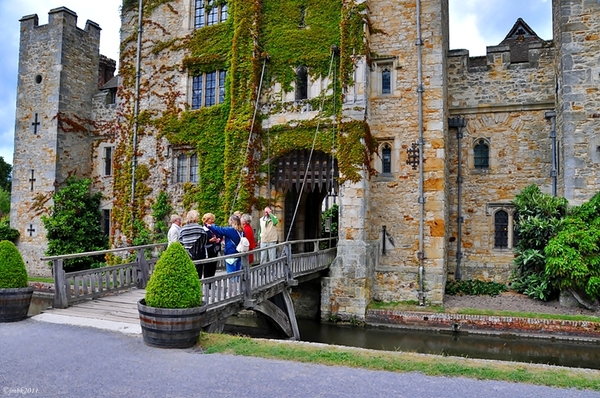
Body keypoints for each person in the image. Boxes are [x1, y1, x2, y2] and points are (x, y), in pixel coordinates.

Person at [179, 210, 209, 279]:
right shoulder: (199, 228)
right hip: (198, 253)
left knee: (189, 273)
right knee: (198, 273)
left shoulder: (183, 229)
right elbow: (204, 240)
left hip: (187, 254)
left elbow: (180, 241)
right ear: (195, 217)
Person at [201, 212, 221, 279]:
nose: (213, 221)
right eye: (211, 219)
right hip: (207, 250)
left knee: (213, 266)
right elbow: (201, 241)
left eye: (213, 219)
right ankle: (207, 283)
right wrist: (209, 240)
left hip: (215, 249)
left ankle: (212, 282)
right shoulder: (203, 230)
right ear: (206, 220)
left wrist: (218, 239)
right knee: (207, 266)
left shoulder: (214, 227)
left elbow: (220, 235)